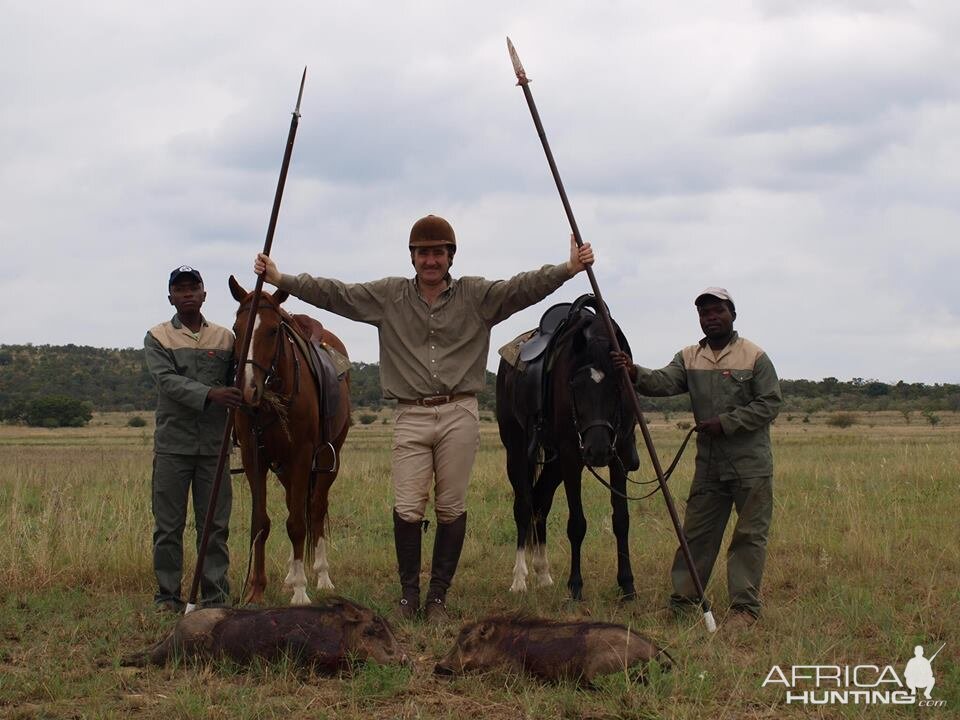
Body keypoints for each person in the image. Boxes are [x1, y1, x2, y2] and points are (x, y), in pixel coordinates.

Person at [254, 215, 594, 622]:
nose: (430, 260)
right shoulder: (389, 296)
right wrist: (282, 278)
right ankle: (408, 596)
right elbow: (336, 294)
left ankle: (438, 599)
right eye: (422, 253)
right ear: (412, 257)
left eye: (438, 253)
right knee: (408, 506)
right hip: (410, 413)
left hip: (459, 411)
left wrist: (567, 269)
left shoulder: (477, 296)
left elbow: (522, 287)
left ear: (450, 256)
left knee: (451, 506)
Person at [612, 287, 781, 629]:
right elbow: (662, 381)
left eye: (717, 311)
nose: (711, 318)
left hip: (750, 464)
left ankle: (744, 610)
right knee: (697, 535)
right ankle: (684, 601)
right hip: (709, 465)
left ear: (732, 313)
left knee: (749, 536)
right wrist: (634, 372)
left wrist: (727, 423)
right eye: (704, 313)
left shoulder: (754, 356)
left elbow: (770, 403)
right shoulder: (689, 356)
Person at [144, 266, 242, 612]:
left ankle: (215, 597)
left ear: (204, 294)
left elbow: (240, 381)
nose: (187, 294)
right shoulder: (157, 337)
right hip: (173, 447)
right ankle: (168, 597)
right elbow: (167, 382)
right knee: (168, 528)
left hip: (214, 448)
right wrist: (211, 394)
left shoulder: (226, 338)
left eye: (193, 288)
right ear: (170, 296)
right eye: (179, 289)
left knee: (214, 527)